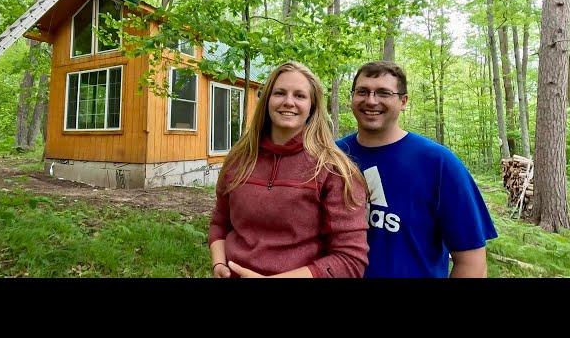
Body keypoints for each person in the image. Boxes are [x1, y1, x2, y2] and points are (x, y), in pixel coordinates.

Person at [336, 61, 498, 278]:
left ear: (403, 101)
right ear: (352, 97)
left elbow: (472, 262)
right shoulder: (332, 157)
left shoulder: (438, 163)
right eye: (362, 91)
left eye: (384, 93)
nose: (371, 100)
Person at [209, 61, 369, 278]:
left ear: (312, 106)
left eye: (300, 96)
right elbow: (220, 222)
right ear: (267, 100)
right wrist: (219, 264)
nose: (288, 102)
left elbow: (350, 260)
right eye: (280, 93)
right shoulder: (239, 158)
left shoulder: (334, 169)